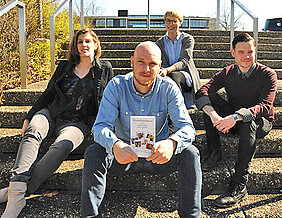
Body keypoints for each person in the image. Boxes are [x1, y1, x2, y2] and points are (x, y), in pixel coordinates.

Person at [0, 28, 113, 217]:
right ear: (75, 46)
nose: (83, 45)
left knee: (62, 146)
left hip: (78, 123)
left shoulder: (104, 69)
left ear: (95, 45)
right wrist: (29, 116)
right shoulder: (65, 66)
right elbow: (48, 94)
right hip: (51, 114)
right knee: (34, 130)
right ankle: (18, 190)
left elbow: (110, 99)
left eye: (87, 41)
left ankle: (16, 193)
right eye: (79, 42)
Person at [81, 41, 202, 217]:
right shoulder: (117, 85)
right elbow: (100, 127)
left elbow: (187, 128)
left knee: (191, 153)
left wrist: (172, 143)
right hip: (124, 156)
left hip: (158, 157)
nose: (146, 69)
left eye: (152, 64)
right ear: (131, 62)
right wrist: (115, 144)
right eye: (141, 62)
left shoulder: (168, 87)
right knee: (93, 152)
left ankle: (191, 216)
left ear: (160, 66)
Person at [195, 33, 277, 207]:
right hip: (233, 119)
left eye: (250, 52)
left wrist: (237, 116)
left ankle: (239, 184)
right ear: (233, 52)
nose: (246, 56)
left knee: (248, 122)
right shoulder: (227, 72)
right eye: (241, 52)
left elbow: (265, 105)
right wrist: (215, 117)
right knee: (210, 102)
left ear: (255, 52)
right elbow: (202, 91)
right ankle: (214, 152)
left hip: (260, 121)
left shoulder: (268, 74)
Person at [156, 10, 201, 108]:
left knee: (173, 76)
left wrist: (167, 70)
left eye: (174, 21)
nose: (171, 24)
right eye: (168, 21)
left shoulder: (187, 39)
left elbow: (184, 61)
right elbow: (161, 62)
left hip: (186, 74)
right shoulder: (160, 43)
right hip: (166, 74)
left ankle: (177, 109)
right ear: (165, 22)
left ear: (180, 23)